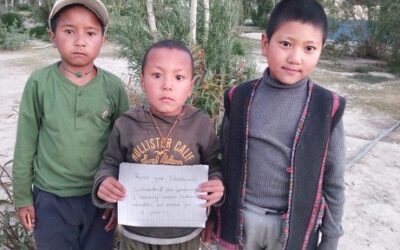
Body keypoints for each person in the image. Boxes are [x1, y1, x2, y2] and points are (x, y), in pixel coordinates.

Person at [213, 0, 346, 249]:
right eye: (285, 44)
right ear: (265, 44)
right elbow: (222, 159)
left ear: (321, 51)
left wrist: (330, 239)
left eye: (309, 48)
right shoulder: (239, 97)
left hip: (293, 228)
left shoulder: (327, 107)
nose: (295, 57)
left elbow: (334, 181)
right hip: (242, 221)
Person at [12, 0, 130, 249]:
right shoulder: (39, 83)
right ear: (52, 36)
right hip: (50, 199)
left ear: (103, 39)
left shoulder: (113, 87)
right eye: (69, 31)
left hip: (100, 198)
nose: (80, 40)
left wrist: (118, 201)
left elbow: (124, 148)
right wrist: (23, 198)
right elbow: (25, 143)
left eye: (90, 33)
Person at [92, 39, 225, 250]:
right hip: (135, 235)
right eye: (157, 75)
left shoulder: (201, 125)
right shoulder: (126, 124)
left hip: (185, 236)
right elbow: (109, 163)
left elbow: (214, 166)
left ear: (190, 86)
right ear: (142, 81)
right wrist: (104, 181)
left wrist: (217, 186)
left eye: (179, 77)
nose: (167, 85)